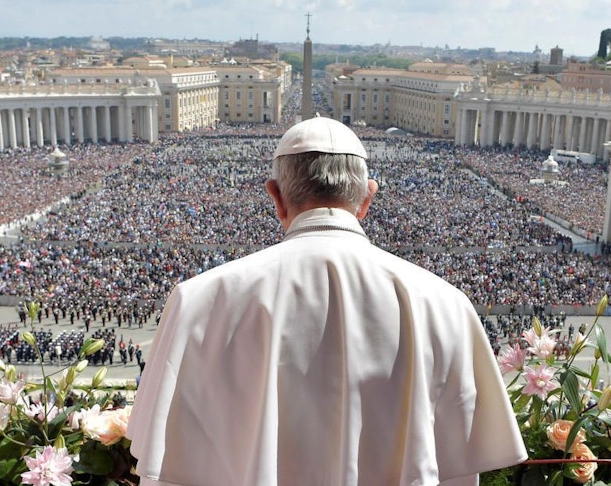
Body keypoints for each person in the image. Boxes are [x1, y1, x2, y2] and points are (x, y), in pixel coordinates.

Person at [126, 117, 526, 485]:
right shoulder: (445, 304)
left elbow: (164, 466)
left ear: (277, 197)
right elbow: (458, 465)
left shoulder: (197, 300)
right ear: (367, 198)